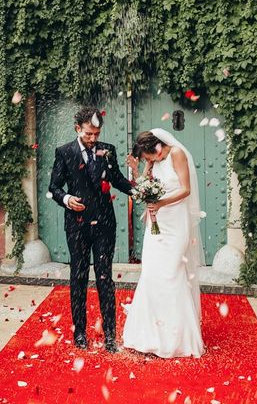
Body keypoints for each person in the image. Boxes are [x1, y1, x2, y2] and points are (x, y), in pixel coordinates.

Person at [48, 107, 132, 353]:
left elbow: (117, 179)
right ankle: (80, 334)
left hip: (105, 223)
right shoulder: (64, 152)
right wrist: (66, 199)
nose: (93, 139)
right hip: (76, 224)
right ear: (78, 129)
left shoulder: (108, 150)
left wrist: (138, 191)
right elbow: (54, 187)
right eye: (88, 134)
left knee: (105, 278)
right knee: (79, 277)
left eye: (96, 134)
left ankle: (109, 336)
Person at [122, 129, 204, 358]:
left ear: (157, 148)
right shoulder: (153, 162)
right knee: (150, 273)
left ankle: (177, 339)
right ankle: (149, 335)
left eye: (149, 157)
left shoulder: (177, 153)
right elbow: (144, 188)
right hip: (156, 225)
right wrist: (138, 169)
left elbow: (185, 190)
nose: (149, 161)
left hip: (176, 223)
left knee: (170, 274)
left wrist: (161, 203)